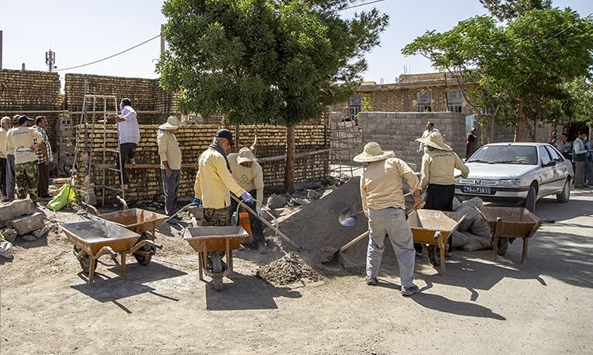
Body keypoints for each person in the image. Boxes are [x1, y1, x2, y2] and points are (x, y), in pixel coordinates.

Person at [354, 141, 423, 297]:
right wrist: (416, 196)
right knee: (404, 248)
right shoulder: (394, 162)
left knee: (375, 243)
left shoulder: (365, 173)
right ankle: (407, 285)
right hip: (393, 212)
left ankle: (371, 276)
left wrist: (370, 216)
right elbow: (411, 176)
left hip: (374, 212)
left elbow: (364, 199)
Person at [416, 131, 470, 255]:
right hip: (448, 189)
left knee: (425, 216)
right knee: (447, 217)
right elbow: (465, 170)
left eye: (428, 144)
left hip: (435, 189)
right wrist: (465, 174)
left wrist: (420, 190)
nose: (426, 146)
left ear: (432, 146)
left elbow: (425, 178)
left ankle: (419, 247)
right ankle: (447, 248)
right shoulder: (451, 155)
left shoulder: (428, 156)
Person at [194, 128, 253, 231]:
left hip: (207, 203)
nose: (228, 148)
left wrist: (197, 196)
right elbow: (227, 179)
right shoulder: (218, 157)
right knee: (221, 233)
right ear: (222, 141)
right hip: (220, 205)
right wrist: (242, 193)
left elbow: (199, 178)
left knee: (210, 232)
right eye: (227, 144)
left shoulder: (203, 155)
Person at [228, 147, 266, 251]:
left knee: (254, 217)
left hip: (249, 194)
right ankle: (228, 242)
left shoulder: (256, 168)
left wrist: (258, 206)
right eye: (245, 162)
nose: (248, 164)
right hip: (234, 191)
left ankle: (260, 242)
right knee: (227, 214)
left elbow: (259, 188)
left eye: (249, 162)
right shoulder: (230, 159)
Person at [6, 115, 42, 202]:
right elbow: (40, 136)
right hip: (29, 158)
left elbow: (10, 143)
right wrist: (36, 146)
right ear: (25, 122)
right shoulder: (29, 130)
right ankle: (33, 201)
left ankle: (21, 202)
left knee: (20, 182)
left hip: (18, 159)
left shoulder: (12, 131)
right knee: (33, 181)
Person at [107, 98, 140, 187]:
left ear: (123, 104)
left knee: (118, 163)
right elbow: (121, 119)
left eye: (120, 104)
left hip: (126, 140)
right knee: (127, 148)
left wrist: (121, 119)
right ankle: (132, 158)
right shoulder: (124, 113)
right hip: (131, 140)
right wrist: (115, 116)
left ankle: (124, 183)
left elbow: (133, 113)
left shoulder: (127, 108)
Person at [157, 116, 183, 220]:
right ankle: (169, 215)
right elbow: (162, 153)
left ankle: (173, 212)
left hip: (176, 167)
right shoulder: (163, 136)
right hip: (169, 169)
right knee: (170, 192)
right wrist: (167, 168)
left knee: (174, 192)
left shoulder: (172, 135)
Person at [33, 116, 53, 199]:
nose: (46, 123)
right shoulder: (39, 131)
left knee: (40, 176)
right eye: (44, 122)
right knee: (43, 176)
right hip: (41, 158)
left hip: (39, 158)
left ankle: (39, 193)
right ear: (39, 123)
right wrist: (46, 158)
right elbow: (42, 145)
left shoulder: (36, 130)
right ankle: (43, 193)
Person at [0, 117, 11, 201]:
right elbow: (4, 147)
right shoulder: (3, 133)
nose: (9, 124)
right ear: (3, 124)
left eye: (9, 122)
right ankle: (4, 195)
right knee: (5, 177)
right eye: (7, 122)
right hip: (3, 157)